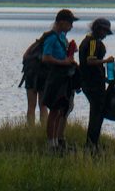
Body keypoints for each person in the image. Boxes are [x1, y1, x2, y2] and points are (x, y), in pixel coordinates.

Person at [39, 9, 81, 153]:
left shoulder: (62, 36)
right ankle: (51, 144)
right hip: (55, 77)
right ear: (62, 22)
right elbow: (45, 57)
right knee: (54, 111)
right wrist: (64, 62)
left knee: (60, 111)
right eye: (70, 23)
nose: (71, 27)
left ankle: (57, 141)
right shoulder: (51, 38)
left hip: (64, 78)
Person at [78, 18, 115, 152]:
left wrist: (105, 78)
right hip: (92, 84)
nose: (105, 35)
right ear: (98, 29)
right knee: (97, 113)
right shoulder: (93, 42)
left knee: (97, 112)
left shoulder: (88, 41)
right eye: (104, 31)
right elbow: (90, 61)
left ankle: (92, 143)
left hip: (91, 82)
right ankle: (91, 144)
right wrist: (106, 60)